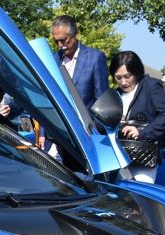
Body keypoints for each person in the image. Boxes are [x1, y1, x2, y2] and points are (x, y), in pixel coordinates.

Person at [39, 15, 108, 162]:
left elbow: (102, 101)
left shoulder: (95, 58)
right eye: (56, 41)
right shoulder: (51, 60)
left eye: (63, 40)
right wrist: (43, 133)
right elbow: (47, 98)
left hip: (86, 140)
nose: (60, 45)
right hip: (57, 138)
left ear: (75, 34)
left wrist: (93, 133)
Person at [110, 51, 165, 183]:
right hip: (117, 159)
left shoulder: (151, 85)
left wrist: (142, 132)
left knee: (140, 194)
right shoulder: (115, 94)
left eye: (127, 76)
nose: (123, 82)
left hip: (143, 158)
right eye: (118, 78)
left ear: (137, 72)